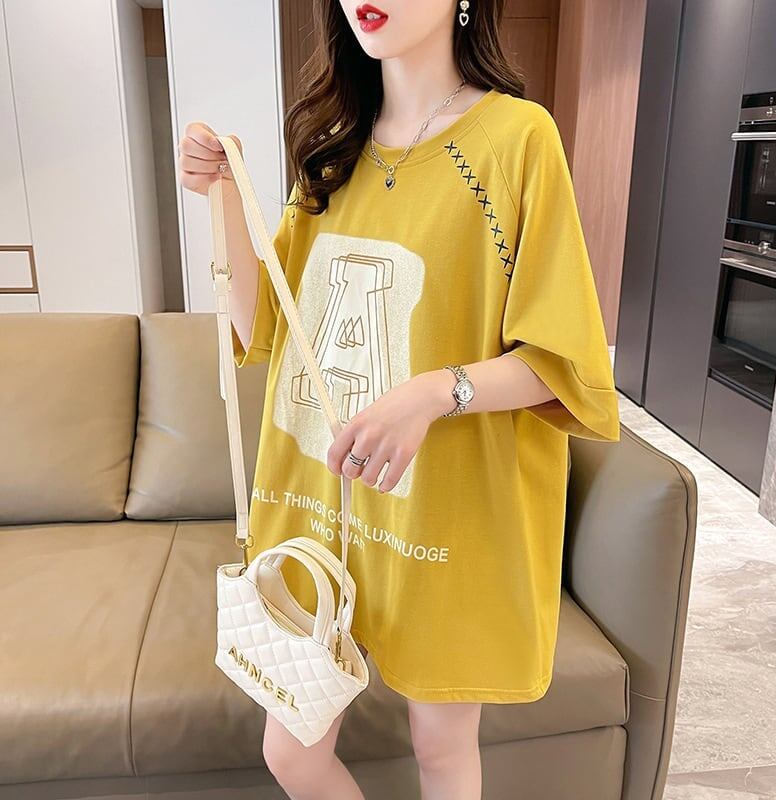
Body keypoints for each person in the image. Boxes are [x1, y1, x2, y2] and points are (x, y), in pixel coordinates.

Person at [178, 1, 621, 797]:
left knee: (441, 748)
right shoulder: (331, 146)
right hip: (321, 504)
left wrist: (433, 392)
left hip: (443, 514)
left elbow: (563, 362)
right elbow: (269, 329)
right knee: (292, 751)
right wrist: (225, 200)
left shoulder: (517, 139)